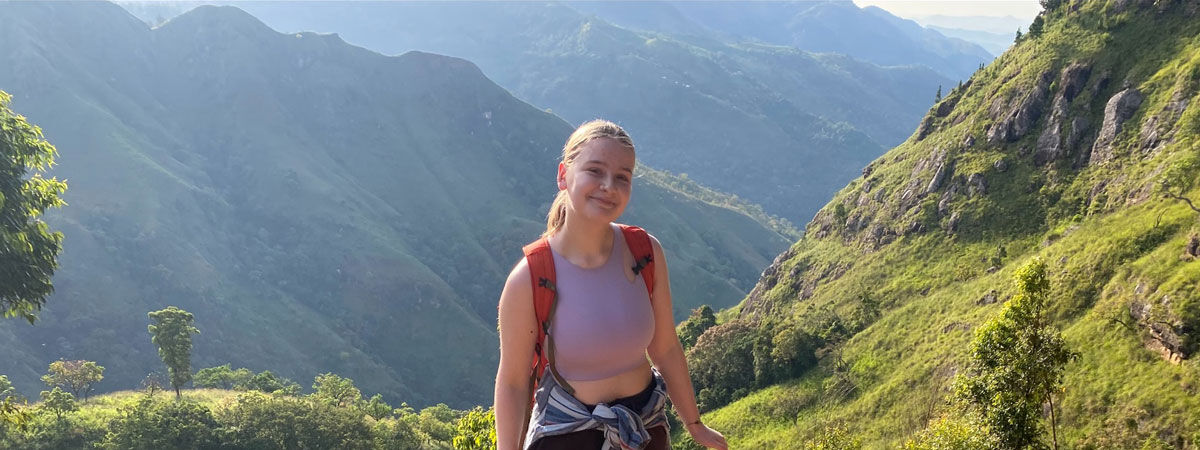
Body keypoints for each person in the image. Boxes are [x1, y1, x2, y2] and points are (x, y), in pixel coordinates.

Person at [494, 119, 729, 450]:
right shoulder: (531, 276)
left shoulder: (644, 251)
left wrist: (694, 424)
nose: (609, 185)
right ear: (563, 175)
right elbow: (514, 383)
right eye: (595, 170)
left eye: (622, 177)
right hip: (569, 439)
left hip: (646, 431)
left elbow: (665, 348)